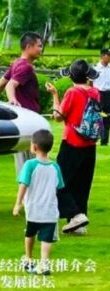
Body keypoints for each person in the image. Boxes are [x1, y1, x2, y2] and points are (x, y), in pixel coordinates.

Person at [46, 59, 100, 236]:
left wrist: (54, 95)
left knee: (58, 181)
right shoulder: (95, 92)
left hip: (72, 143)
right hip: (90, 144)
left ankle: (75, 215)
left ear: (71, 76)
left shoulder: (72, 92)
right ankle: (79, 224)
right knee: (82, 183)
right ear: (88, 76)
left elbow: (58, 117)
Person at [0, 32, 43, 173]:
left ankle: (26, 194)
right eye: (39, 46)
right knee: (32, 166)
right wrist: (12, 99)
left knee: (24, 165)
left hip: (23, 122)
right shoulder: (26, 67)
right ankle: (29, 194)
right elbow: (10, 85)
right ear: (28, 46)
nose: (41, 49)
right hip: (29, 121)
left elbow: (2, 83)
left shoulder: (17, 64)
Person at [13, 130, 63, 276]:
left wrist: (18, 203)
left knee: (30, 233)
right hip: (50, 211)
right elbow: (59, 186)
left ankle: (28, 258)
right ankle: (44, 264)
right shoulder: (55, 167)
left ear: (34, 147)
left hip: (33, 209)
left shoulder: (30, 165)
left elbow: (23, 185)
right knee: (47, 238)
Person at [93, 48, 110, 146]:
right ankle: (93, 138)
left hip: (108, 94)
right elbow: (90, 82)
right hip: (98, 94)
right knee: (97, 116)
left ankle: (104, 140)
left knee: (107, 117)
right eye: (108, 55)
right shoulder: (95, 68)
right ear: (103, 56)